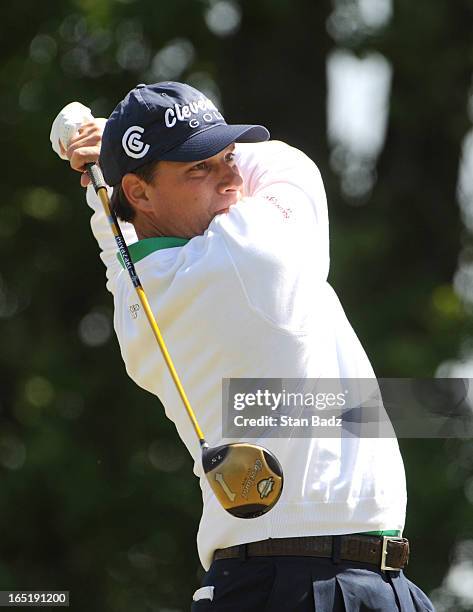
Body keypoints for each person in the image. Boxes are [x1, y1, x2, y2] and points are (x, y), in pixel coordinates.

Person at [51, 82, 434, 611]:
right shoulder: (251, 255)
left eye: (228, 157)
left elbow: (114, 233)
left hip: (275, 579)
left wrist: (114, 163)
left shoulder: (137, 292)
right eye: (200, 169)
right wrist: (113, 148)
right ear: (140, 193)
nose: (231, 177)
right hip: (319, 587)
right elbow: (290, 165)